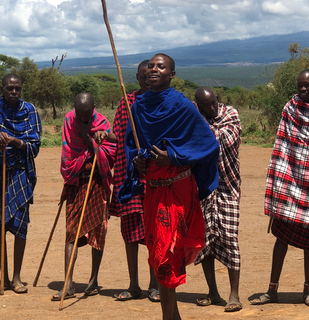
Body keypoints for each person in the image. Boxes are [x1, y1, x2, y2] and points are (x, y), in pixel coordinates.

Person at [118, 53, 219, 320]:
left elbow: (208, 144)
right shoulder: (137, 107)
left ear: (171, 74)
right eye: (150, 66)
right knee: (158, 252)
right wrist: (137, 162)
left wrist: (172, 156)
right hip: (152, 188)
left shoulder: (183, 106)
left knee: (164, 256)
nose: (154, 69)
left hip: (177, 190)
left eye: (160, 67)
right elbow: (132, 145)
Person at [250, 69, 309, 307]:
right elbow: (282, 146)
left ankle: (307, 290)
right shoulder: (290, 108)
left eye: (307, 86)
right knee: (281, 238)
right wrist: (282, 180)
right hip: (290, 183)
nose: (302, 90)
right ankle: (272, 289)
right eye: (300, 86)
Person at [101, 60, 160, 302]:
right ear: (137, 78)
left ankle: (155, 285)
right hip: (128, 176)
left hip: (154, 176)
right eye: (142, 76)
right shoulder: (127, 102)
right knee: (130, 232)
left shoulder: (161, 103)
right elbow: (120, 135)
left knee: (154, 233)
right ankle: (134, 285)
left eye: (150, 76)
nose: (146, 80)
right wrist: (105, 135)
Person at [51, 92, 116, 301]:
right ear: (74, 110)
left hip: (96, 181)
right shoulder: (69, 120)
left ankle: (93, 281)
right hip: (76, 182)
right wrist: (82, 131)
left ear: (94, 108)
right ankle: (68, 284)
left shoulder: (102, 123)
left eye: (87, 116)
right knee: (71, 232)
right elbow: (68, 154)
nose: (84, 120)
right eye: (80, 116)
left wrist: (91, 138)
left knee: (98, 230)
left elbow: (110, 154)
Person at [193, 87, 242, 312]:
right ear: (200, 106)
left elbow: (224, 141)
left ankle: (234, 294)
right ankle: (212, 291)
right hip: (203, 186)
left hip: (227, 186)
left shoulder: (230, 114)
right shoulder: (197, 119)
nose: (213, 108)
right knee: (205, 242)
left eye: (214, 103)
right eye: (207, 106)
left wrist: (201, 130)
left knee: (230, 237)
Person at [0, 73, 41, 294]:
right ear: (2, 89)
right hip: (0, 173)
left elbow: (35, 147)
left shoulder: (30, 111)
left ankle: (16, 278)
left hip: (21, 174)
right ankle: (2, 277)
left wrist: (15, 141)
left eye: (17, 89)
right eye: (9, 89)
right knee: (1, 227)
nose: (14, 92)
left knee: (20, 226)